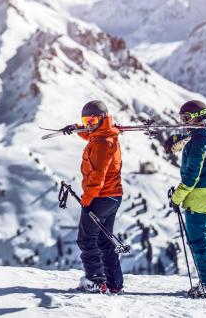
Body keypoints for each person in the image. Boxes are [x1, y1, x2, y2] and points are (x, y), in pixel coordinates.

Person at [165, 99, 206, 299]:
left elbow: (190, 177)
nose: (183, 122)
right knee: (200, 240)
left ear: (197, 118)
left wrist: (176, 198)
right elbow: (198, 135)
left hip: (198, 198)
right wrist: (179, 138)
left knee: (198, 242)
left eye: (186, 118)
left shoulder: (197, 142)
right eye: (181, 118)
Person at [61, 100, 124, 294]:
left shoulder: (103, 143)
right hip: (113, 196)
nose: (88, 123)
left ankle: (95, 280)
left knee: (87, 239)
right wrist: (77, 129)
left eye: (92, 119)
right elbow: (91, 133)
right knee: (104, 241)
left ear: (102, 118)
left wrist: (87, 201)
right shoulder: (104, 134)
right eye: (85, 120)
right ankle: (114, 284)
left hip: (101, 197)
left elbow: (97, 176)